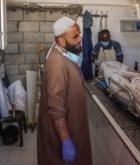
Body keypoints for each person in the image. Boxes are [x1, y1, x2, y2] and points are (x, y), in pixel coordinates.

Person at [37, 16, 92, 165]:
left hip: (73, 128)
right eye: (75, 36)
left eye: (79, 34)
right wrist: (66, 140)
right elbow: (56, 107)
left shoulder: (66, 56)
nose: (80, 38)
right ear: (61, 40)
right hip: (62, 137)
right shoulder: (57, 64)